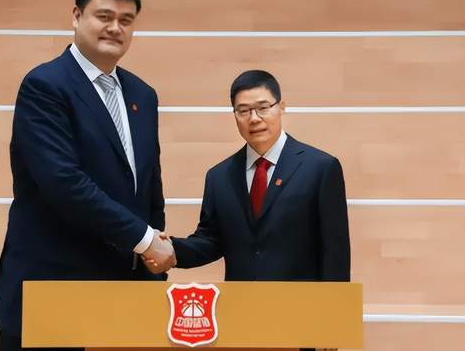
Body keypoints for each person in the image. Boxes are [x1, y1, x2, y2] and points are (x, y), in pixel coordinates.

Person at [0, 0, 175, 351]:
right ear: (76, 16)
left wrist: (153, 264)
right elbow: (64, 183)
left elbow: (149, 186)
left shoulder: (143, 95)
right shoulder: (45, 86)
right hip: (54, 289)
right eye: (104, 16)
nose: (115, 28)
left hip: (123, 294)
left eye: (126, 20)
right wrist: (146, 241)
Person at [146, 70, 350, 350]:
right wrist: (170, 251)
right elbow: (210, 240)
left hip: (301, 320)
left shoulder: (321, 168)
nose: (254, 118)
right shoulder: (219, 176)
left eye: (263, 107)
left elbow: (335, 253)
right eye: (243, 111)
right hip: (240, 320)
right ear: (235, 115)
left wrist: (333, 326)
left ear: (281, 107)